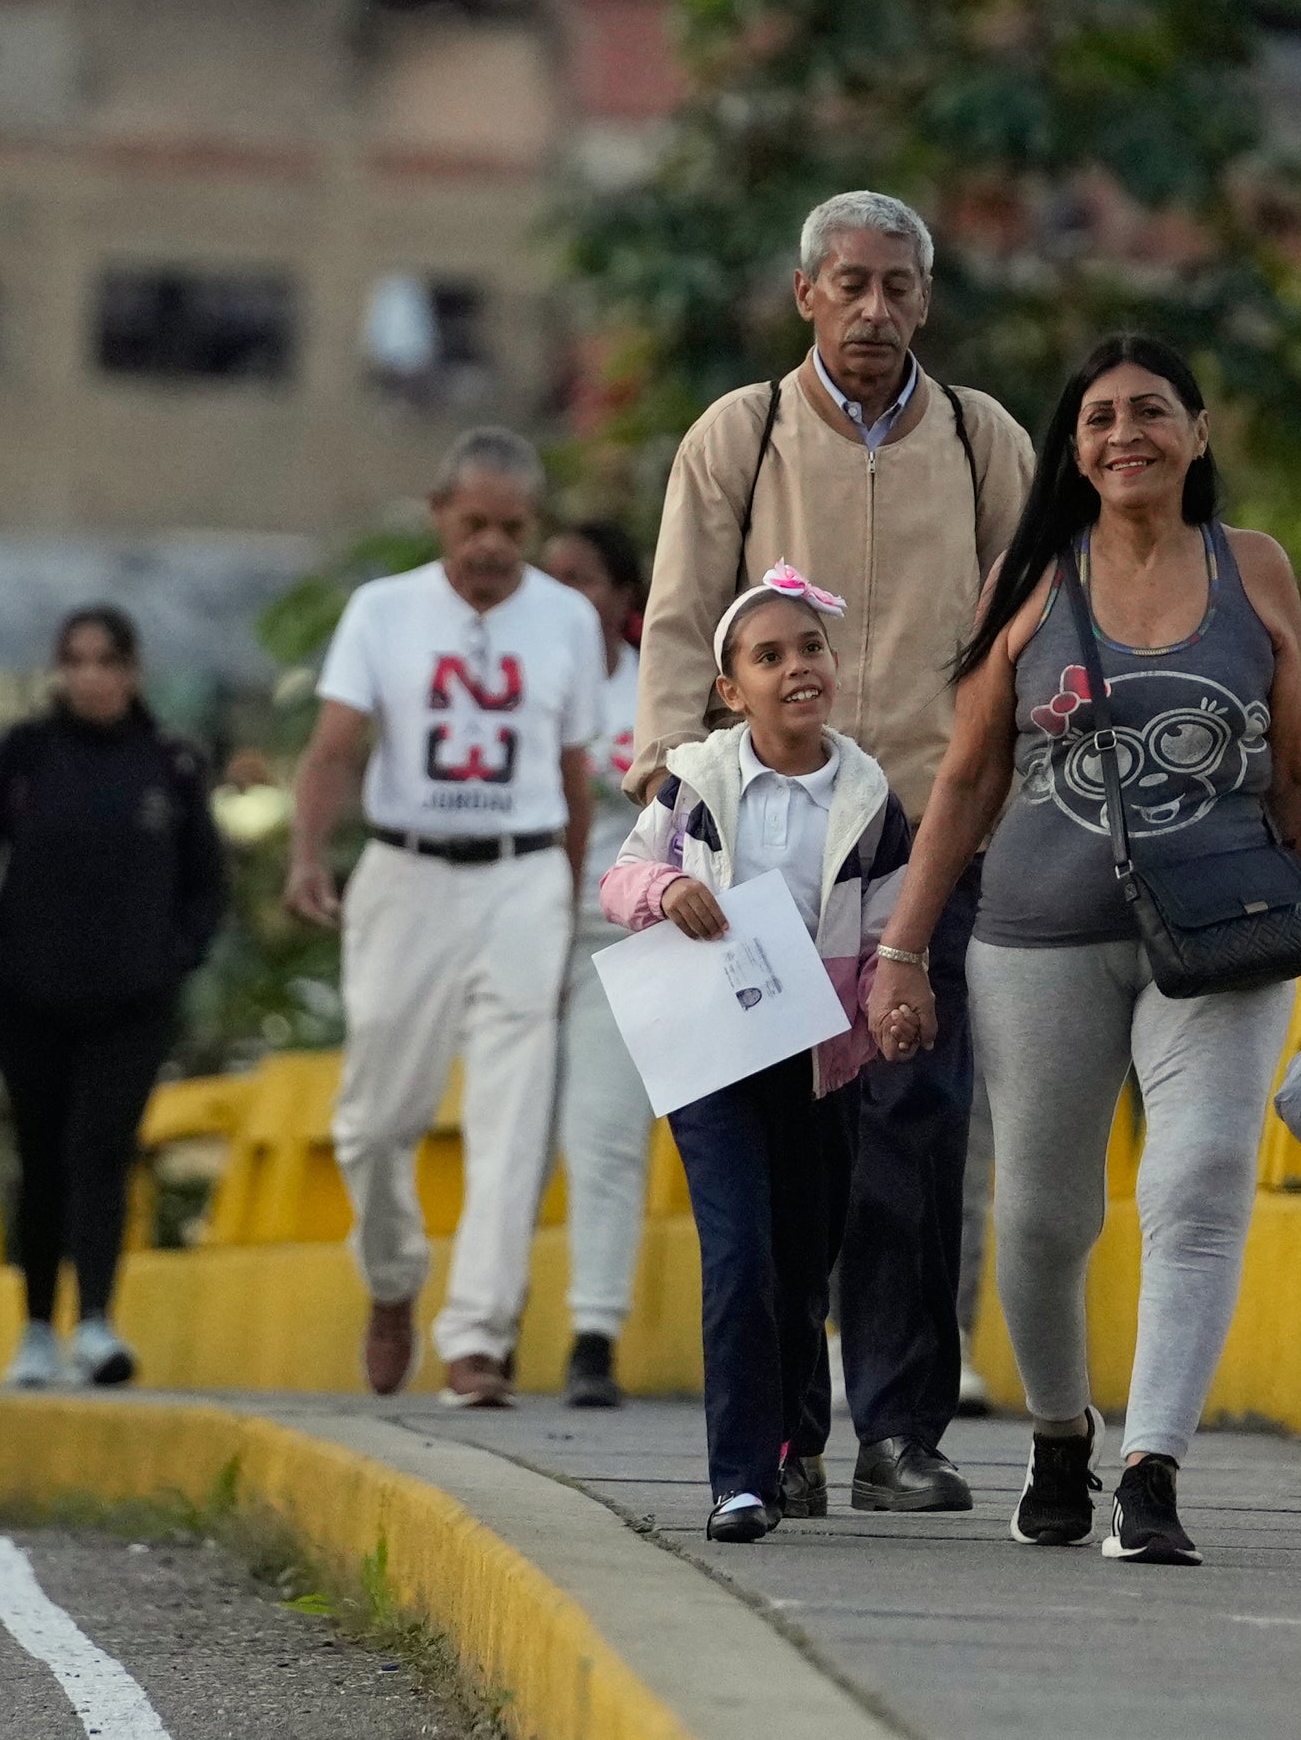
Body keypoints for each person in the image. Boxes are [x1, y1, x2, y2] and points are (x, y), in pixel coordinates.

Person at [863, 333, 1301, 1568]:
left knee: (1196, 1181)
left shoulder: (1255, 571)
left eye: (1151, 412)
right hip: (1040, 937)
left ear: (1198, 434)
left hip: (1228, 938)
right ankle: (1059, 1429)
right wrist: (899, 951)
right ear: (1075, 450)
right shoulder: (1033, 578)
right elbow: (971, 775)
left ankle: (1151, 1469)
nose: (1123, 434)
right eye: (1098, 419)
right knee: (1044, 1217)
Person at [632, 191, 1035, 1515]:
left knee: (915, 1130)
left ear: (927, 297)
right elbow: (683, 610)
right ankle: (790, 1436)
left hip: (926, 833)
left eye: (898, 285)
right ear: (805, 292)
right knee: (788, 1144)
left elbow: (1029, 621)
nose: (874, 308)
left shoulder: (985, 440)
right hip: (760, 841)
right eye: (849, 283)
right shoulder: (739, 435)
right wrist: (663, 781)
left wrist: (1020, 796)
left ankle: (901, 1432)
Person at [286, 426, 610, 1407]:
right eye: (474, 523)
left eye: (513, 527)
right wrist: (307, 852)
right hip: (406, 873)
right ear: (439, 515)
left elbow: (574, 775)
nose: (492, 545)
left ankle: (478, 1336)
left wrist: (567, 892)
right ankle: (392, 1280)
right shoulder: (383, 611)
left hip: (522, 879)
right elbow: (336, 745)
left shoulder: (566, 621)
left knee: (513, 1116)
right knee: (375, 1122)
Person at [600, 567, 917, 1541]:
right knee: (736, 1252)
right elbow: (620, 880)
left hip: (820, 1060)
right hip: (715, 1052)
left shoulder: (870, 801)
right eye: (768, 656)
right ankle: (740, 1478)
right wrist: (664, 894)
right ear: (731, 689)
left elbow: (888, 931)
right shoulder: (694, 787)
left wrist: (892, 1003)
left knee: (798, 1260)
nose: (796, 669)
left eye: (810, 649)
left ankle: (791, 1441)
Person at [0, 604, 226, 1391]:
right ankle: (35, 1328)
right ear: (60, 671)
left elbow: (205, 885)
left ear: (131, 671)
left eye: (106, 661)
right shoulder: (22, 756)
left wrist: (174, 958)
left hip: (132, 1000)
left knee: (103, 1153)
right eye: (76, 661)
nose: (91, 676)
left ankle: (96, 1324)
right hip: (29, 998)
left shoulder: (167, 764)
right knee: (41, 1155)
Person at [539, 519, 653, 1409]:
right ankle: (482, 1329)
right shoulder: (515, 685)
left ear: (623, 596)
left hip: (614, 938)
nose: (565, 594)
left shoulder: (658, 693)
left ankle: (593, 1334)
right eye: (554, 578)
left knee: (605, 1136)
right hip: (514, 928)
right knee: (512, 1138)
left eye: (583, 579)